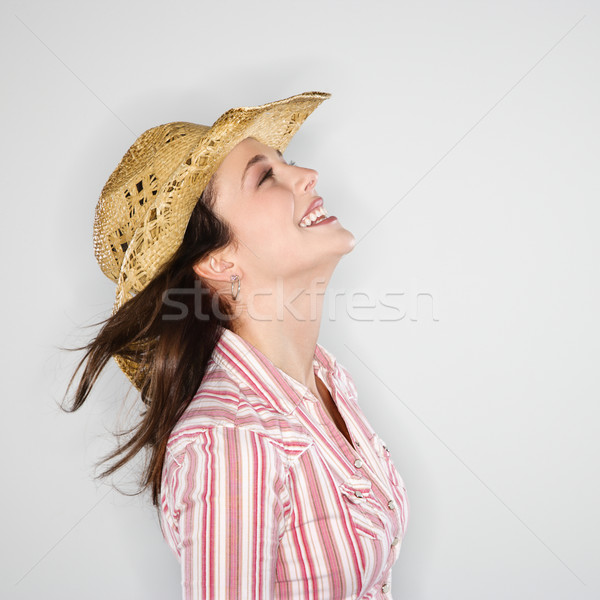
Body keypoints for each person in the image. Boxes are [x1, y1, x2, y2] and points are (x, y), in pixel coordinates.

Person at [64, 91, 410, 599]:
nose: (307, 174)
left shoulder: (326, 380)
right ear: (218, 262)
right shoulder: (229, 442)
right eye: (265, 176)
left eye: (284, 163)